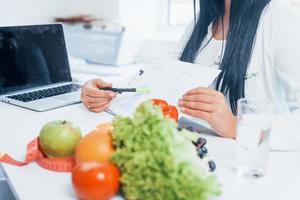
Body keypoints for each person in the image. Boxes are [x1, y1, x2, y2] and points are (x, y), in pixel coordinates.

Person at [81, 0, 300, 150]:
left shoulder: (281, 18)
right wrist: (107, 89)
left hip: (253, 165)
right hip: (200, 157)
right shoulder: (203, 20)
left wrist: (238, 126)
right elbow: (158, 78)